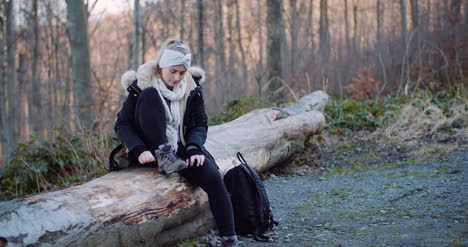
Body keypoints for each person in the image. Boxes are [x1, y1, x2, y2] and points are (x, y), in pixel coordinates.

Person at [114, 38, 238, 247]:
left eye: (182, 72)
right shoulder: (141, 85)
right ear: (161, 65)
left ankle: (228, 238)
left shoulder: (191, 87)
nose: (177, 77)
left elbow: (199, 123)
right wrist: (139, 149)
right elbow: (122, 124)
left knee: (214, 177)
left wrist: (194, 147)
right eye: (173, 71)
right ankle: (165, 155)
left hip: (180, 148)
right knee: (151, 95)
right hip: (152, 151)